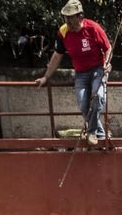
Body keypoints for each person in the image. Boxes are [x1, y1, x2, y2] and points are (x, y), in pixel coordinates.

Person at [35, 1, 113, 147]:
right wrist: (46, 76)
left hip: (97, 69)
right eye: (65, 17)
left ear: (80, 16)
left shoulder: (93, 28)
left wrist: (107, 63)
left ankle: (92, 132)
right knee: (83, 104)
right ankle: (101, 134)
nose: (68, 21)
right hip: (81, 73)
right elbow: (57, 56)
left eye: (71, 17)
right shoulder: (63, 32)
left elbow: (108, 48)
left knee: (98, 97)